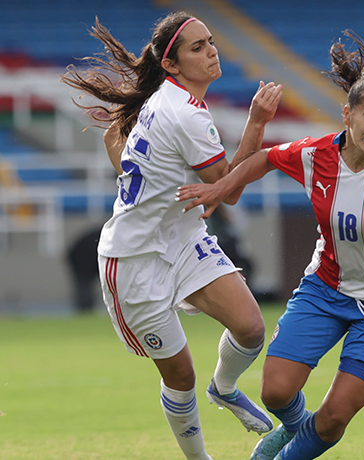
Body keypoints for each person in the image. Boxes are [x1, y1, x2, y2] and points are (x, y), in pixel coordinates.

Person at [176, 30, 364, 460]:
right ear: (348, 115)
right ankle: (298, 428)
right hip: (324, 289)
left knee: (335, 416)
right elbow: (264, 158)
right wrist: (221, 187)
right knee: (275, 392)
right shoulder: (316, 155)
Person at [61, 12, 283, 460]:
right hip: (134, 260)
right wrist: (258, 122)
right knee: (180, 376)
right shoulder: (184, 114)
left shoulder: (168, 100)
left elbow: (116, 144)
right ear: (173, 65)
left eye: (211, 41)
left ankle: (223, 388)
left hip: (182, 239)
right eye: (197, 47)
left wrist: (137, 178)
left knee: (251, 327)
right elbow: (229, 190)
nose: (211, 51)